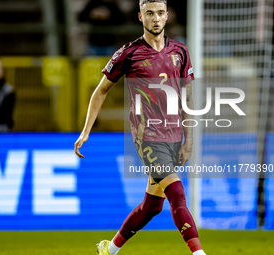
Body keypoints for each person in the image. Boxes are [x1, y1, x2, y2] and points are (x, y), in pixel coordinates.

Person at [74, 1, 206, 255]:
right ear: (140, 17)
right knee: (176, 192)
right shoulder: (128, 53)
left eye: (159, 13)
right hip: (147, 137)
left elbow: (187, 99)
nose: (155, 19)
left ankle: (109, 250)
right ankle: (199, 253)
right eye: (149, 14)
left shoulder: (181, 51)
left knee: (153, 205)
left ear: (167, 16)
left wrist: (188, 140)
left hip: (174, 134)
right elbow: (100, 91)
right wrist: (86, 130)